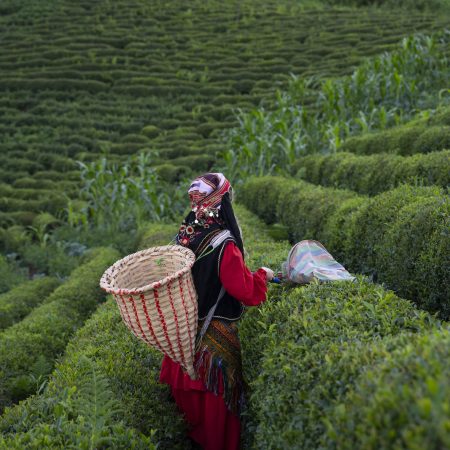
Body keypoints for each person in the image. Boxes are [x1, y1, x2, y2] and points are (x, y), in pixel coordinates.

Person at [159, 172, 274, 450]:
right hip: (211, 349)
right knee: (216, 424)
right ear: (222, 201)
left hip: (183, 339)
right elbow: (245, 291)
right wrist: (263, 276)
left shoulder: (184, 235)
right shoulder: (223, 243)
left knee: (191, 423)